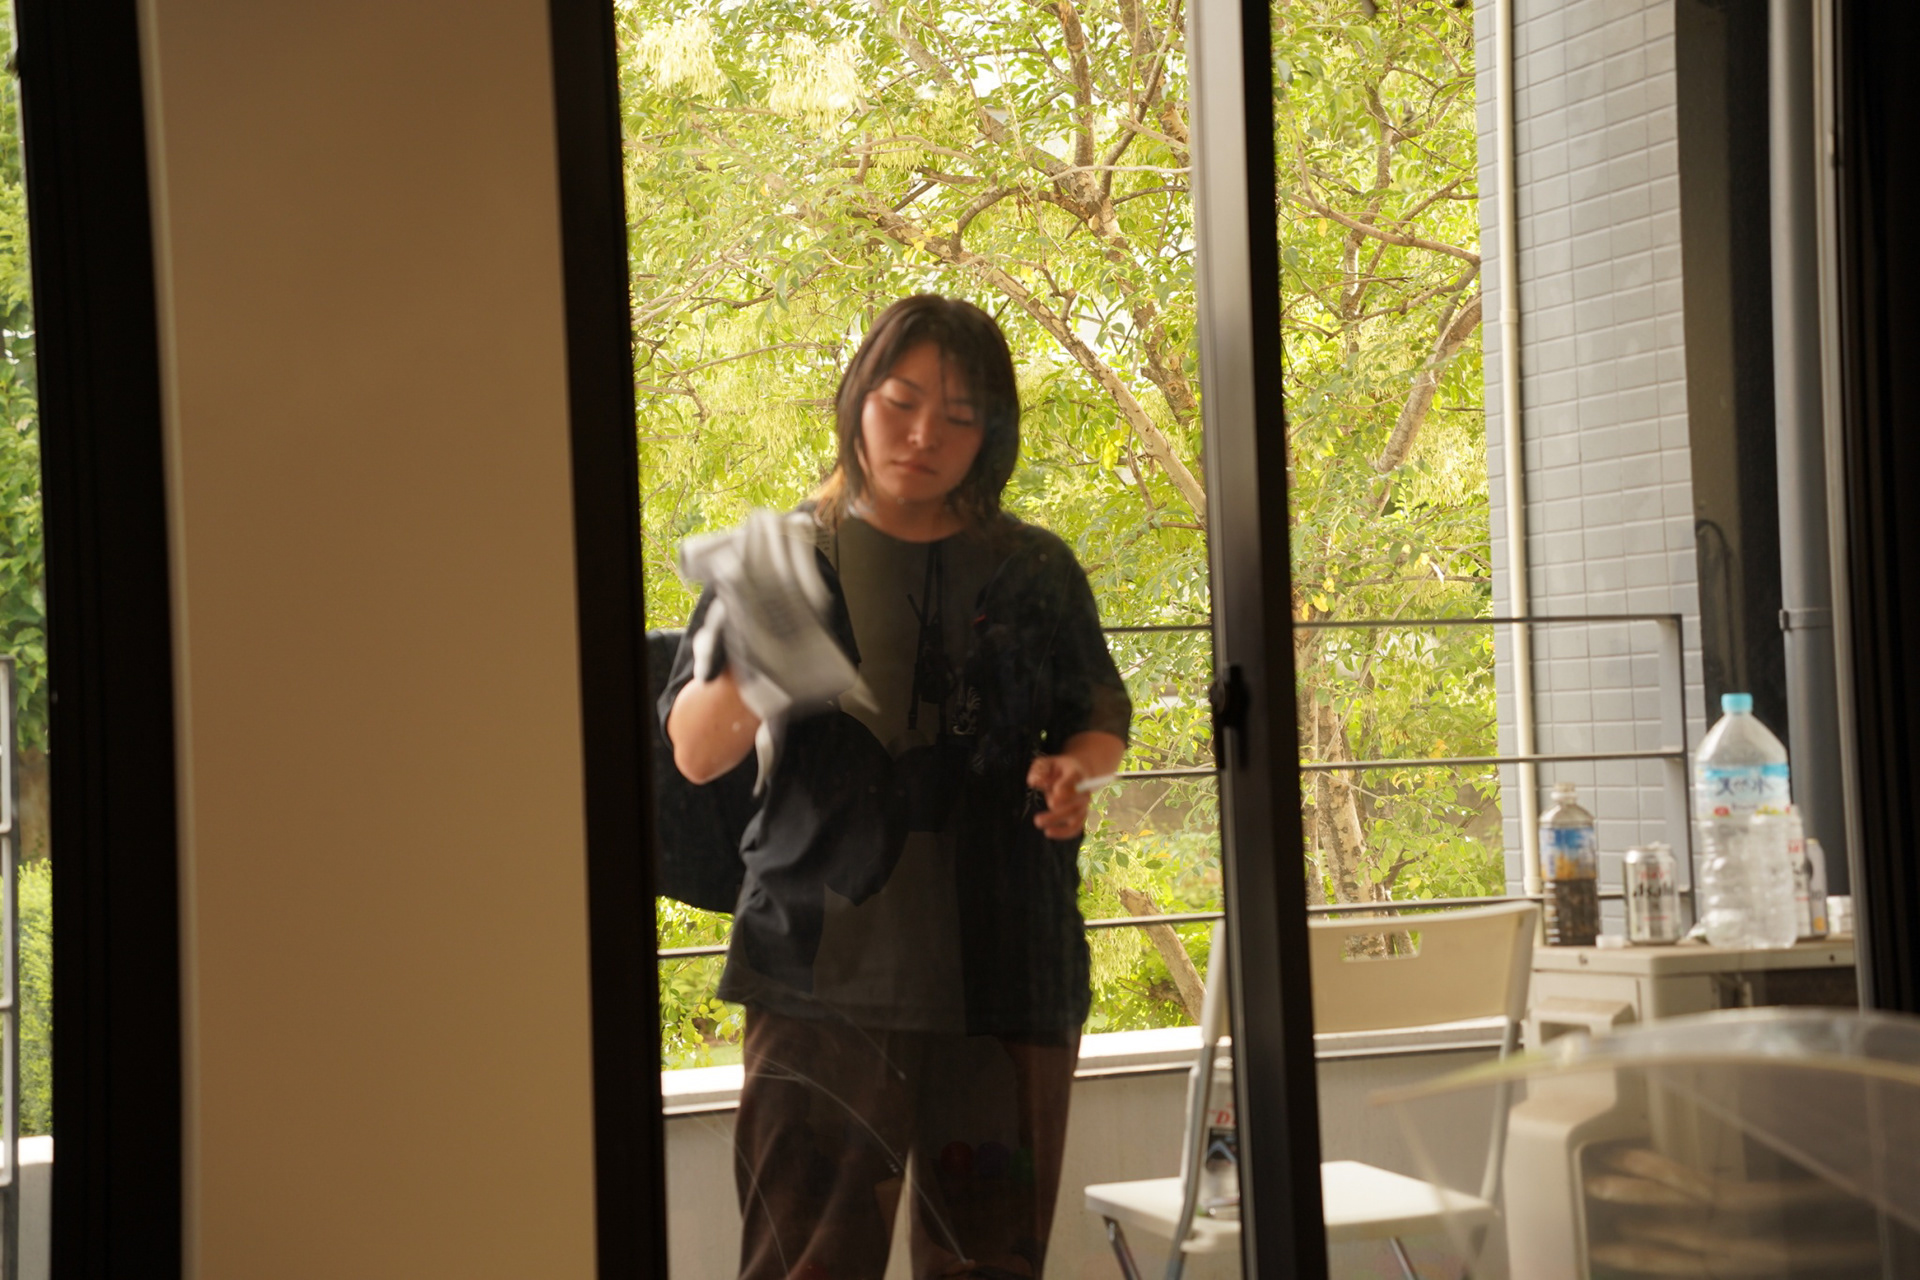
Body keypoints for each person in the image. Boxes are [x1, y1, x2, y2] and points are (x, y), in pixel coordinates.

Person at [662, 294, 1131, 1280]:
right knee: (808, 1263)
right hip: (820, 983)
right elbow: (697, 754)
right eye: (901, 402)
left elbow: (1099, 717)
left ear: (992, 432)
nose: (923, 435)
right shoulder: (782, 555)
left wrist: (1075, 770)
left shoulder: (1034, 569)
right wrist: (762, 658)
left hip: (1009, 981)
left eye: (959, 415)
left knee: (992, 1263)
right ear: (858, 401)